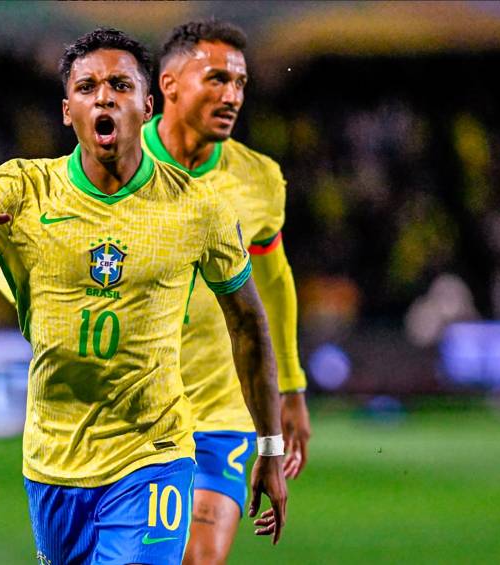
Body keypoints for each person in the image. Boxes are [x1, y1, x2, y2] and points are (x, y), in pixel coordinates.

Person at [0, 28, 286, 565]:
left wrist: (269, 448)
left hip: (153, 454)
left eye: (119, 85)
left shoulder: (197, 208)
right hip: (53, 459)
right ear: (67, 110)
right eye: (86, 87)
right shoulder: (21, 190)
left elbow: (249, 324)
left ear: (147, 104)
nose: (103, 97)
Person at [142, 20, 312, 564]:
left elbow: (276, 282)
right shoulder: (116, 164)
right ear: (168, 84)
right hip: (134, 408)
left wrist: (290, 386)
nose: (232, 95)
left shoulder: (258, 178)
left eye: (240, 83)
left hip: (222, 406)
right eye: (216, 79)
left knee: (201, 558)